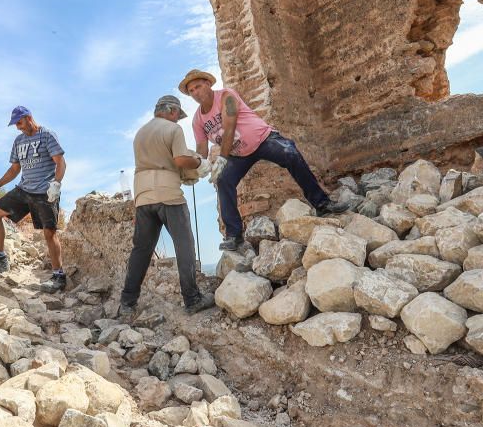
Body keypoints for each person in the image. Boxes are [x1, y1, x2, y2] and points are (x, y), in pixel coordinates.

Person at [179, 69, 350, 252]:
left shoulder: (226, 96)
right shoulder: (198, 119)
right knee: (223, 180)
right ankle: (234, 236)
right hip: (238, 155)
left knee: (289, 153)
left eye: (198, 86)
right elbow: (201, 150)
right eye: (191, 91)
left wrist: (221, 159)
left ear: (208, 83)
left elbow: (229, 128)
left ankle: (321, 203)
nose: (196, 93)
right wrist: (196, 167)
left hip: (263, 139)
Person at [119, 95, 215, 319]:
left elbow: (155, 160)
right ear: (171, 111)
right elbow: (181, 159)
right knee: (185, 245)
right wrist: (200, 164)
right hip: (168, 194)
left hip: (143, 196)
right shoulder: (173, 130)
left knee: (141, 250)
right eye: (177, 116)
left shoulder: (140, 133)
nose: (177, 120)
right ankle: (192, 299)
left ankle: (127, 303)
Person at [0, 106, 67, 293]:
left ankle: (58, 276)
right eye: (15, 124)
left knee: (49, 233)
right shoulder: (18, 141)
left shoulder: (47, 135)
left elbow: (60, 162)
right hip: (24, 189)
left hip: (45, 191)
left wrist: (56, 184)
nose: (18, 127)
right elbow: (14, 169)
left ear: (28, 118)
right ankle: (0, 259)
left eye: (19, 122)